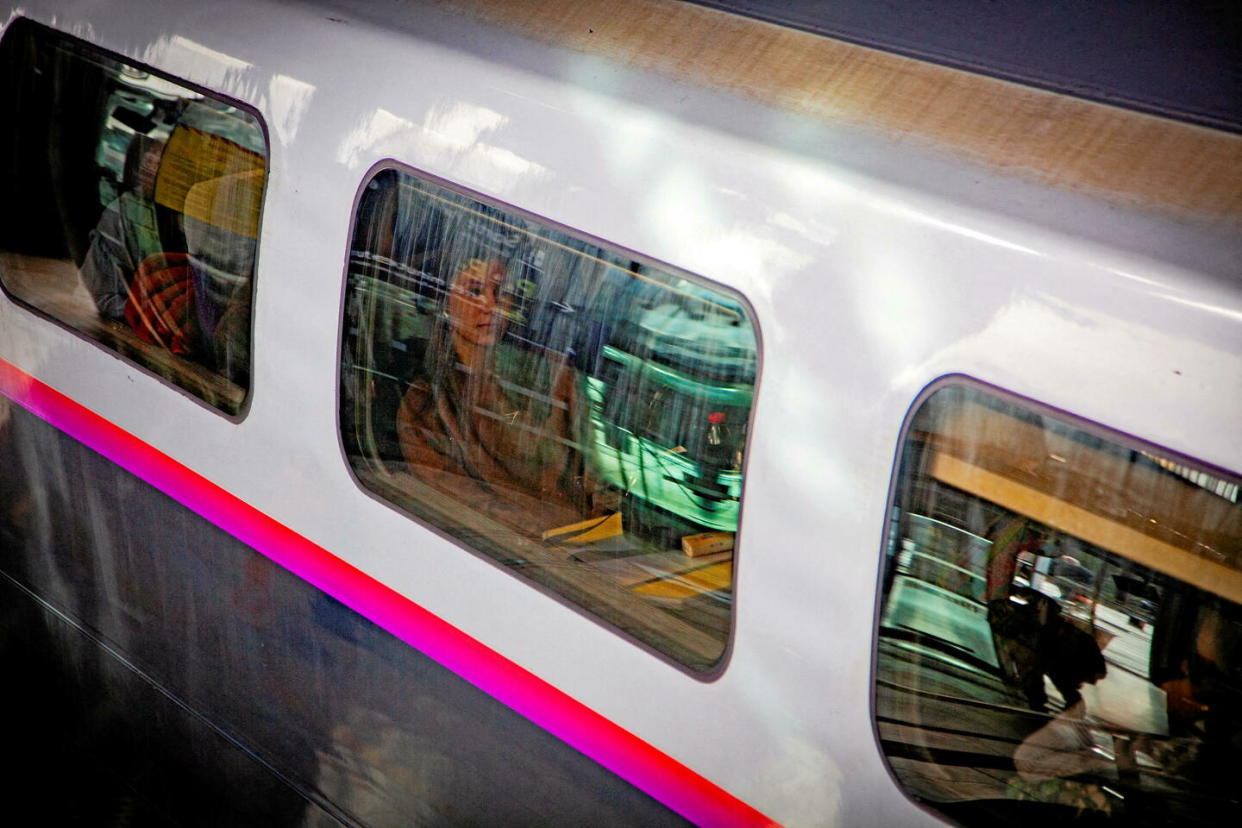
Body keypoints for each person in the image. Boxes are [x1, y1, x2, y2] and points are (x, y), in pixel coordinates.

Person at [395, 258, 606, 539]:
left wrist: (604, 527)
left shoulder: (554, 376)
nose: (490, 305)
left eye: (502, 292)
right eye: (473, 291)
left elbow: (595, 473)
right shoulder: (424, 404)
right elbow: (469, 505)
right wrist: (550, 537)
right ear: (445, 302)